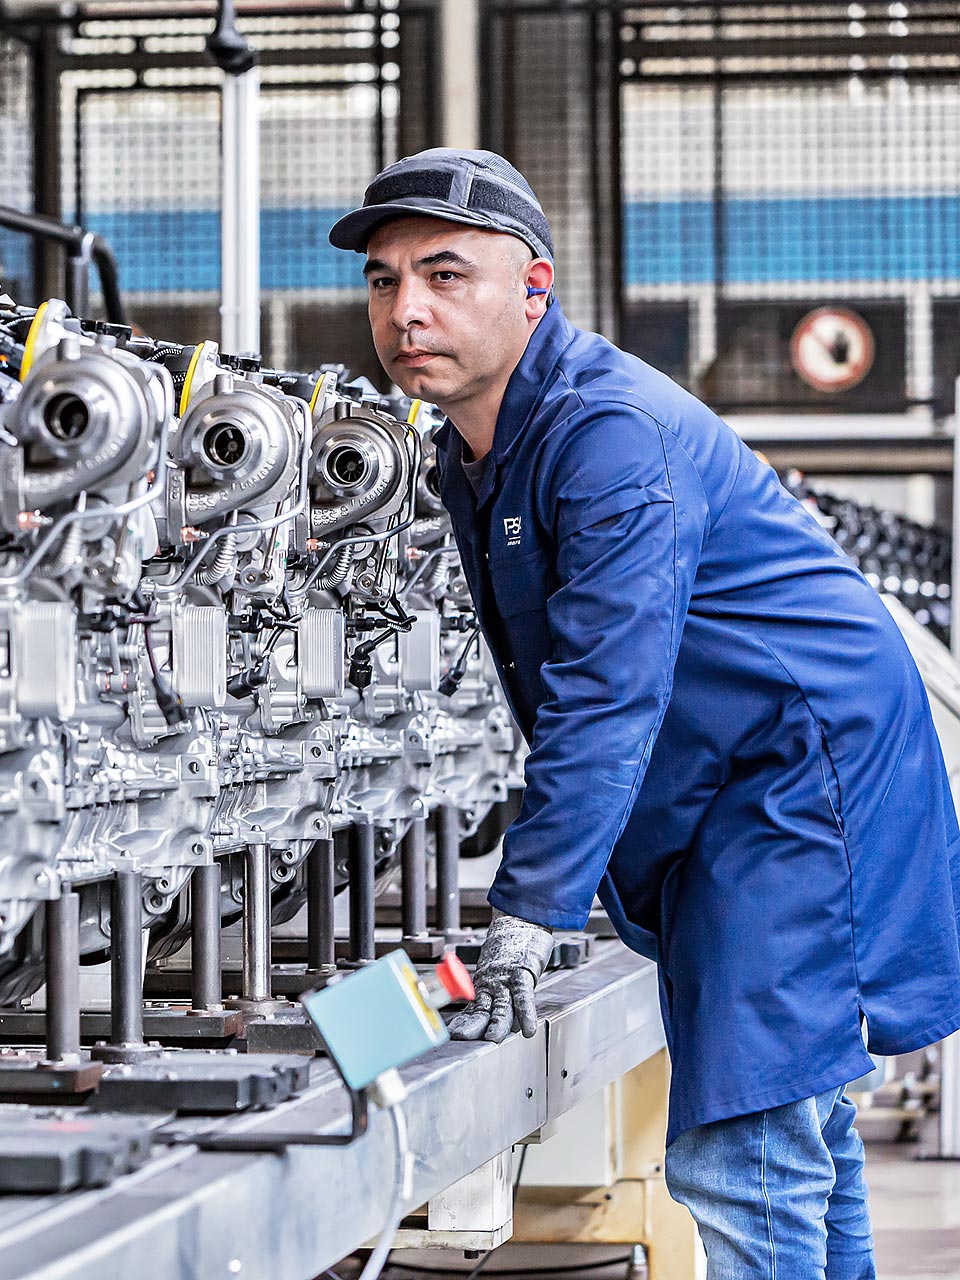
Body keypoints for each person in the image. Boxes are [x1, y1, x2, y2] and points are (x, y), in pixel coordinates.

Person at [329, 149, 960, 1280]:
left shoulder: (607, 431)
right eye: (383, 281)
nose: (406, 308)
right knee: (798, 1118)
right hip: (743, 781)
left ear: (534, 285)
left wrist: (531, 907)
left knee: (744, 1141)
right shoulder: (473, 449)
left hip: (797, 777)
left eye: (443, 273)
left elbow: (606, 690)